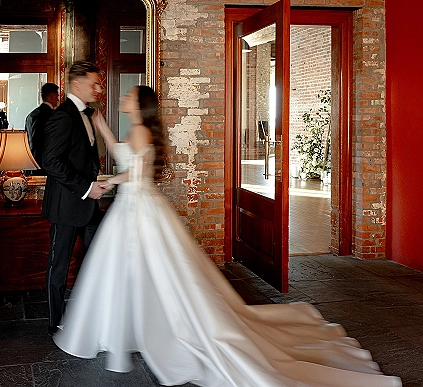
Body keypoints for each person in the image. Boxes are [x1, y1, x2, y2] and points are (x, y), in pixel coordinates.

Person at [52, 86, 402, 387]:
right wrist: (102, 128)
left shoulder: (141, 131)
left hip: (138, 208)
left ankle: (146, 329)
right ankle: (138, 325)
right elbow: (123, 155)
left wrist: (109, 182)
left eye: (130, 95)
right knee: (142, 272)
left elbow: (134, 174)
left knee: (145, 272)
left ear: (139, 104)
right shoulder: (138, 130)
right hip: (134, 209)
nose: (125, 97)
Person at [40, 61, 108, 336]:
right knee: (59, 267)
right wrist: (86, 188)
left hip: (89, 207)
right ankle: (55, 321)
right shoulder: (63, 116)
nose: (99, 88)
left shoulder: (88, 114)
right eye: (94, 83)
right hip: (66, 206)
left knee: (102, 257)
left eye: (99, 83)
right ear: (76, 85)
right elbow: (50, 162)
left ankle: (94, 313)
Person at [25, 82, 60, 175]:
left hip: (30, 163)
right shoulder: (54, 116)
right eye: (57, 96)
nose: (58, 99)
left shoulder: (30, 116)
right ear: (51, 96)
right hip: (48, 165)